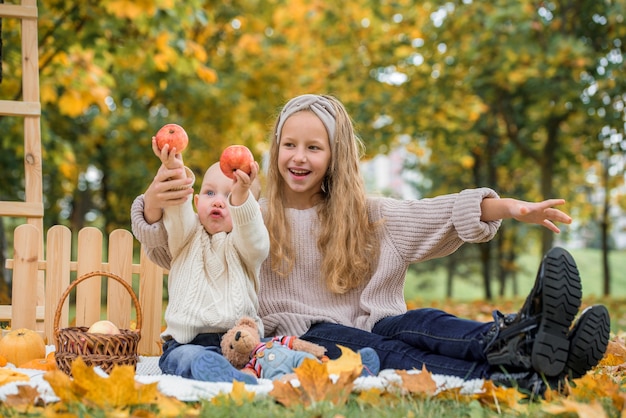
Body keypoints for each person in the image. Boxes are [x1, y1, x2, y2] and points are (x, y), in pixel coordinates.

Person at [132, 94, 610, 396]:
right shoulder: (246, 208)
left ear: (335, 155)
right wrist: (155, 203)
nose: (299, 158)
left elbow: (434, 213)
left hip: (376, 317)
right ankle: (519, 374)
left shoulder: (365, 212)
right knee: (383, 349)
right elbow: (175, 247)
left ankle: (519, 340)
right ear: (275, 147)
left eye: (314, 147)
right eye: (289, 145)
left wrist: (508, 208)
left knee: (424, 322)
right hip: (307, 334)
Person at [149, 138, 268, 384]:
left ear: (248, 211)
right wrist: (173, 168)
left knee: (272, 353)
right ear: (196, 202)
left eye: (229, 196)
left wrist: (242, 197)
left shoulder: (244, 245)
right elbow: (177, 212)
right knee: (184, 358)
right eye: (210, 193)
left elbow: (255, 239)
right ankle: (220, 372)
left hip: (240, 342)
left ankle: (300, 363)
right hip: (188, 342)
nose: (217, 201)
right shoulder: (186, 235)